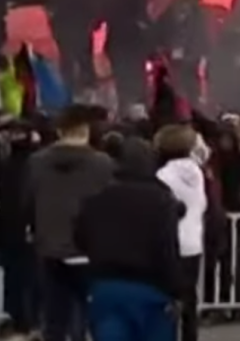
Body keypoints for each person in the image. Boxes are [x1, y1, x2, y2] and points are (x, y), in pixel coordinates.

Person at [76, 142, 186, 341]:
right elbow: (167, 248)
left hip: (106, 285)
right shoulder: (162, 201)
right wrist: (177, 289)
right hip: (151, 288)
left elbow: (80, 238)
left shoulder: (96, 199)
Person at [26, 105, 118, 341]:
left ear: (59, 132)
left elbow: (27, 202)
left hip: (49, 246)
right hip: (90, 249)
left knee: (54, 318)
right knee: (92, 315)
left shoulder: (36, 162)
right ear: (86, 130)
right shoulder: (103, 164)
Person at [154, 126, 207, 341]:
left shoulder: (163, 175)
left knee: (168, 300)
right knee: (189, 301)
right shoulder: (197, 172)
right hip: (193, 243)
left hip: (171, 243)